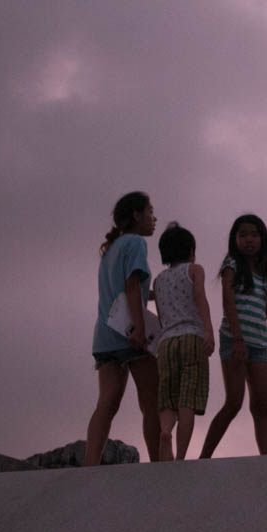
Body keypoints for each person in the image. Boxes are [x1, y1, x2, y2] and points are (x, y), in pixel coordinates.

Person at [199, 214, 267, 458]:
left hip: (259, 343)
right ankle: (203, 457)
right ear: (234, 239)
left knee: (261, 406)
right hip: (234, 339)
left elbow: (262, 313)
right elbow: (227, 300)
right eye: (242, 235)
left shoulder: (266, 273)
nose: (248, 240)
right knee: (234, 402)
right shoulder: (232, 264)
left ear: (262, 238)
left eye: (254, 234)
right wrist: (238, 339)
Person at [84, 191, 160, 466]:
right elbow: (130, 286)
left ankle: (90, 464)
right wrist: (139, 331)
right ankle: (158, 464)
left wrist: (148, 294)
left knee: (106, 404)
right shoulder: (136, 243)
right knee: (152, 401)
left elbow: (123, 289)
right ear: (137, 215)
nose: (154, 218)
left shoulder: (110, 250)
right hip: (130, 336)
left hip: (104, 336)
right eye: (150, 212)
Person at [154, 223, 215, 461]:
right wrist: (208, 330)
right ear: (191, 250)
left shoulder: (158, 281)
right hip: (191, 337)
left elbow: (161, 316)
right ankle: (180, 456)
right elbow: (200, 299)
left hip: (166, 342)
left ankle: (165, 432)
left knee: (167, 398)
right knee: (187, 398)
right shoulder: (194, 270)